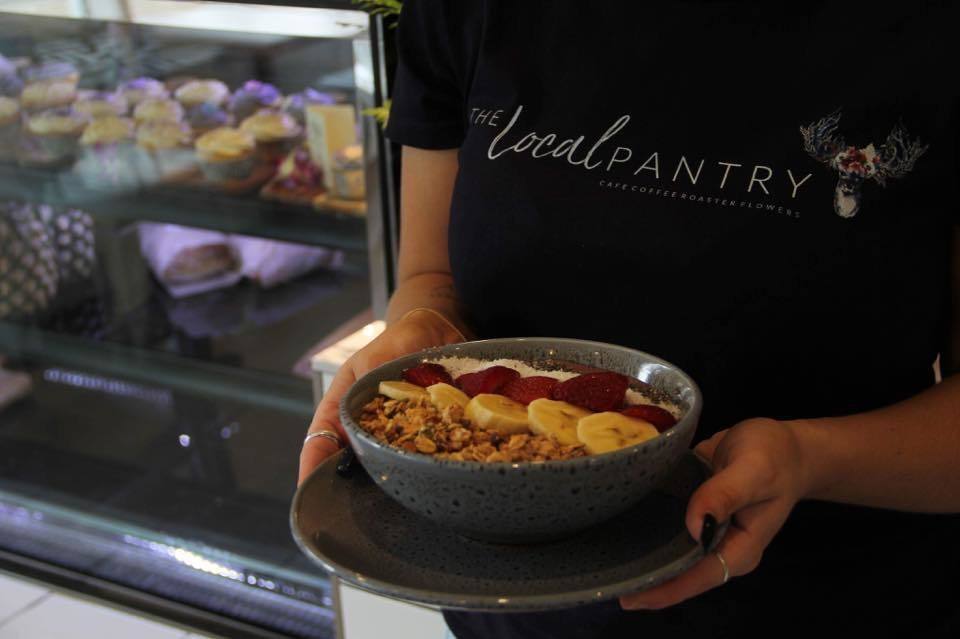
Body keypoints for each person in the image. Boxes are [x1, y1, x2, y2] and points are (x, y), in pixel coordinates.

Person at [299, 1, 960, 636]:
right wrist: (427, 324)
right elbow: (432, 277)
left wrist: (810, 457)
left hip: (836, 603)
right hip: (512, 608)